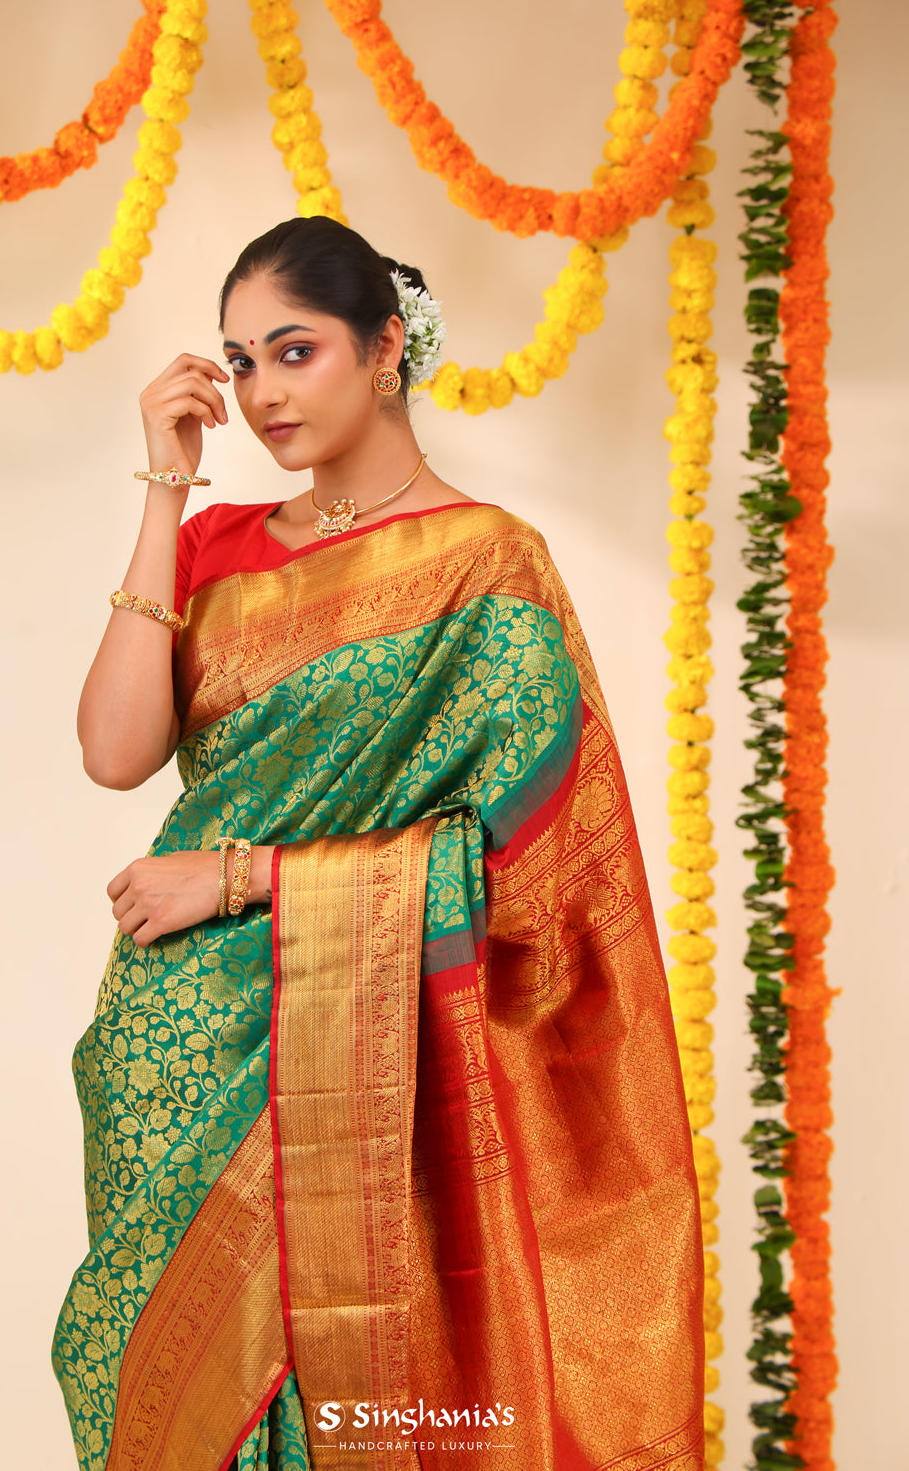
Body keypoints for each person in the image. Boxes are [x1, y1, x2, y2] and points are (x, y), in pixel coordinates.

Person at [53, 216, 706, 1471]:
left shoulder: (487, 565)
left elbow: (527, 868)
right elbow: (115, 752)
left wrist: (239, 878)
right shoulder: (212, 551)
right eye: (240, 361)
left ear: (386, 346)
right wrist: (165, 488)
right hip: (180, 1050)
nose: (261, 392)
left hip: (375, 1045)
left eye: (294, 351)